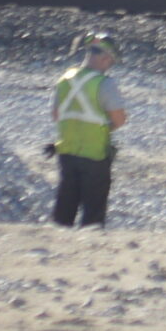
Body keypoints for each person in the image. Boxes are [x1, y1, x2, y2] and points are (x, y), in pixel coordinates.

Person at [51, 33, 129, 227]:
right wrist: (101, 129)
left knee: (65, 203)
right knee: (93, 211)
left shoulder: (64, 79)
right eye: (111, 61)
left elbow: (56, 115)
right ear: (105, 57)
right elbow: (119, 119)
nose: (110, 65)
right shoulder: (105, 84)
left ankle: (58, 243)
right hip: (95, 155)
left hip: (67, 151)